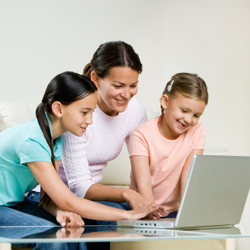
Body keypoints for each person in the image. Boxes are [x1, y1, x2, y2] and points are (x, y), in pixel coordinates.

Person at [0, 71, 157, 228]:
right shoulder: (32, 141)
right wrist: (126, 215)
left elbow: (47, 197)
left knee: (70, 226)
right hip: (3, 207)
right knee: (49, 232)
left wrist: (60, 213)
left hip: (14, 203)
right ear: (58, 109)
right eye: (84, 113)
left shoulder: (56, 139)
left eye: (92, 112)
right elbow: (68, 201)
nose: (89, 121)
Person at [57, 41, 155, 218]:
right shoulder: (78, 113)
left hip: (94, 195)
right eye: (118, 86)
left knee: (143, 215)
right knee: (115, 219)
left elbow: (141, 164)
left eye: (132, 85)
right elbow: (78, 187)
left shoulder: (135, 111)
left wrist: (148, 204)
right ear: (95, 78)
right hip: (59, 196)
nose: (126, 95)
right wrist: (126, 193)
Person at [129, 72, 209, 219]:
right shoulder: (141, 135)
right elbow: (143, 185)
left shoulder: (197, 131)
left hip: (176, 211)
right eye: (184, 111)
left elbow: (188, 178)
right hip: (145, 206)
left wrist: (188, 215)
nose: (189, 120)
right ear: (165, 102)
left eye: (196, 115)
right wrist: (151, 214)